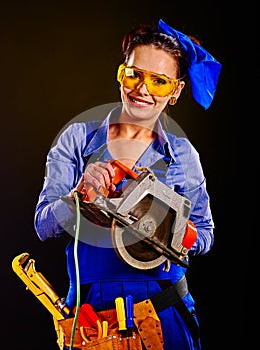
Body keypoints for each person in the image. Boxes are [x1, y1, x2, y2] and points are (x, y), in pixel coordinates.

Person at [34, 18, 221, 350]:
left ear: (176, 90)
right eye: (134, 75)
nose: (142, 90)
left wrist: (163, 224)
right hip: (91, 321)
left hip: (164, 315)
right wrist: (76, 196)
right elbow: (43, 224)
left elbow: (204, 236)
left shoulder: (181, 153)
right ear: (122, 73)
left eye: (159, 82)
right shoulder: (77, 140)